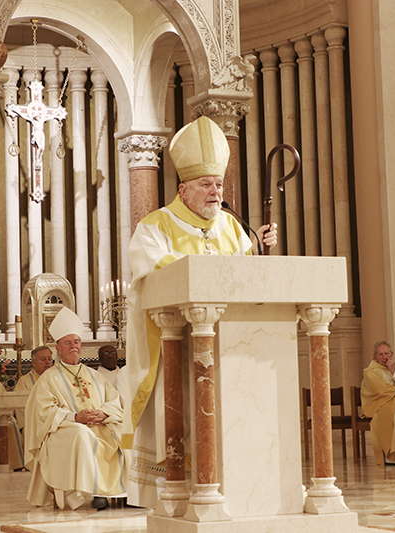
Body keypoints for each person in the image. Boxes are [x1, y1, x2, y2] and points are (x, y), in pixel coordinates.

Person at [122, 116, 277, 508]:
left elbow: (248, 275)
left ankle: (232, 486)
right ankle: (175, 494)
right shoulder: (154, 226)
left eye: (219, 184)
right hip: (176, 347)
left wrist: (259, 246)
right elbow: (153, 268)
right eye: (206, 184)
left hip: (231, 348)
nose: (215, 191)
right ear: (183, 189)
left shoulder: (231, 225)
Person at [24, 307, 126, 510]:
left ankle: (126, 493)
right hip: (66, 428)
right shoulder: (48, 378)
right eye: (67, 343)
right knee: (82, 434)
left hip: (101, 424)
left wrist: (104, 413)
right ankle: (93, 493)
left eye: (76, 342)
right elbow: (43, 412)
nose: (73, 346)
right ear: (58, 348)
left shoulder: (95, 375)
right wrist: (75, 417)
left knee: (126, 432)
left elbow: (114, 402)